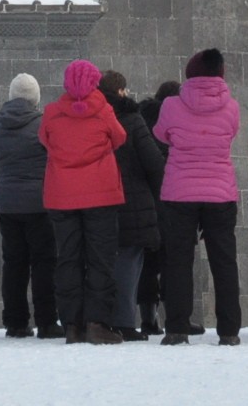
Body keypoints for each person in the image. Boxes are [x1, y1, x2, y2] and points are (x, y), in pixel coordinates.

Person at [151, 47, 244, 346]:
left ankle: (177, 327)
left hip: (179, 191)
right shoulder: (231, 107)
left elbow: (161, 135)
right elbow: (230, 134)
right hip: (220, 191)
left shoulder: (170, 105)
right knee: (224, 260)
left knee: (178, 260)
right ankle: (229, 331)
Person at [40, 57, 128, 344]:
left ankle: (72, 325)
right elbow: (120, 138)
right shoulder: (104, 110)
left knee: (68, 259)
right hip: (100, 193)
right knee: (100, 259)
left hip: (61, 195)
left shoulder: (52, 113)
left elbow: (45, 140)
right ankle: (97, 323)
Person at [0, 72, 63, 340]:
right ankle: (46, 321)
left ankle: (15, 322)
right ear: (35, 98)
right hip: (38, 202)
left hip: (6, 201)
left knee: (13, 263)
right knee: (44, 263)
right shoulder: (42, 125)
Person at [100, 72, 166, 339]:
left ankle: (99, 319)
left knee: (100, 261)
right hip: (133, 199)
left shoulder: (94, 117)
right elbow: (153, 162)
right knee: (129, 260)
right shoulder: (132, 118)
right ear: (122, 92)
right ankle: (125, 322)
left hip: (99, 197)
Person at [135, 79, 182, 335]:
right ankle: (174, 316)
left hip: (145, 198)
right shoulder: (176, 119)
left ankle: (148, 319)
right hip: (172, 196)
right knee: (173, 259)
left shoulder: (141, 118)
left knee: (147, 262)